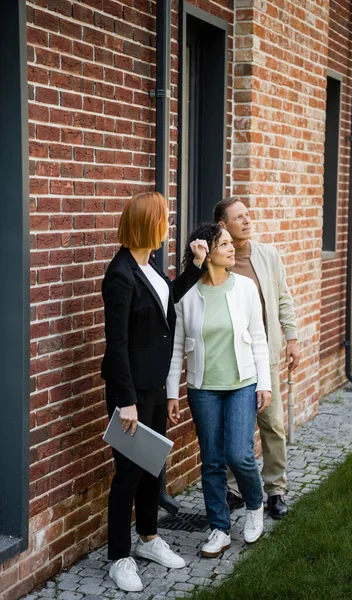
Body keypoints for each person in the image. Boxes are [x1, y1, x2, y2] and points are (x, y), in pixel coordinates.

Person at [101, 191, 208, 592]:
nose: (167, 224)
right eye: (163, 218)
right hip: (129, 391)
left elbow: (169, 298)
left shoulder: (150, 267)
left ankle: (148, 538)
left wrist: (195, 267)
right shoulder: (120, 274)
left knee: (153, 466)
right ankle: (118, 557)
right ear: (149, 223)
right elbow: (118, 344)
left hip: (155, 386)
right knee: (128, 473)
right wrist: (125, 400)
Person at [167, 223, 272, 558]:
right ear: (207, 252)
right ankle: (219, 527)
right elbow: (177, 346)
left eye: (231, 243)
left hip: (242, 383)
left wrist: (265, 383)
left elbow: (258, 337)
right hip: (203, 388)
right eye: (224, 244)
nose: (232, 248)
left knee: (238, 455)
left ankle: (255, 505)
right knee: (211, 460)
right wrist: (173, 393)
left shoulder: (245, 287)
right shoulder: (188, 294)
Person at [213, 198, 299, 520]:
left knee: (272, 425)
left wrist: (291, 338)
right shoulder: (219, 259)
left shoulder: (268, 255)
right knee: (235, 430)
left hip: (267, 357)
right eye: (239, 217)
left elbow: (283, 298)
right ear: (224, 225)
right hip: (231, 359)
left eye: (248, 215)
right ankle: (235, 491)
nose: (247, 221)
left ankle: (275, 491)